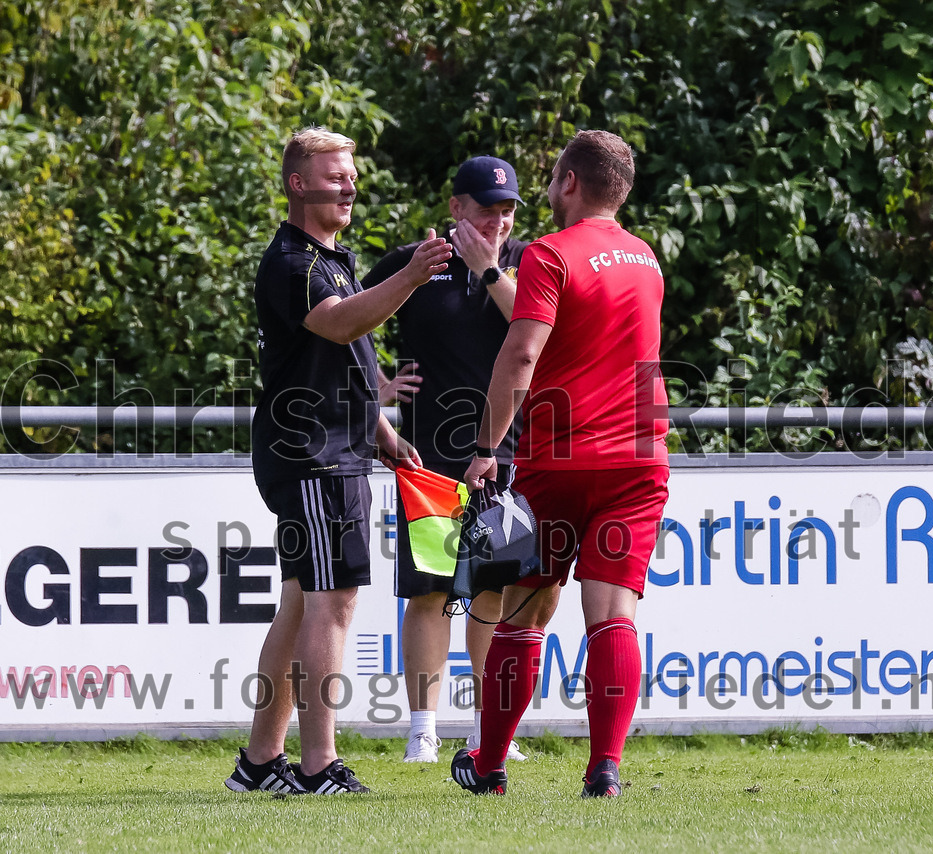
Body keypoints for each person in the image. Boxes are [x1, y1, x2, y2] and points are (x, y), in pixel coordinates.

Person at [225, 127, 452, 795]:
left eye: (351, 174)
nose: (348, 184)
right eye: (334, 175)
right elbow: (341, 325)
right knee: (335, 602)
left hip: (333, 451)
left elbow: (345, 361)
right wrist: (412, 276)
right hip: (313, 458)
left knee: (299, 605)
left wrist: (383, 434)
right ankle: (318, 764)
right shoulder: (293, 264)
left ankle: (260, 763)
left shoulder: (330, 258)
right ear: (299, 184)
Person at [451, 130, 670, 797]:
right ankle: (605, 766)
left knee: (524, 613)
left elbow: (522, 355)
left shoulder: (549, 255)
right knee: (612, 615)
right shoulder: (646, 258)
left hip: (563, 458)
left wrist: (487, 447)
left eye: (551, 180)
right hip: (638, 457)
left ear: (569, 182)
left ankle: (489, 766)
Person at [362, 156, 530, 764]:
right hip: (427, 459)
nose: (499, 220)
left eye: (508, 210)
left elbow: (537, 329)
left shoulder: (524, 263)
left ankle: (488, 730)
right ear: (456, 206)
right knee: (430, 593)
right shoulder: (416, 261)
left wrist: (489, 270)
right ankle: (422, 730)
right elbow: (344, 320)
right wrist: (375, 381)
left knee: (491, 594)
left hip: (505, 456)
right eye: (487, 208)